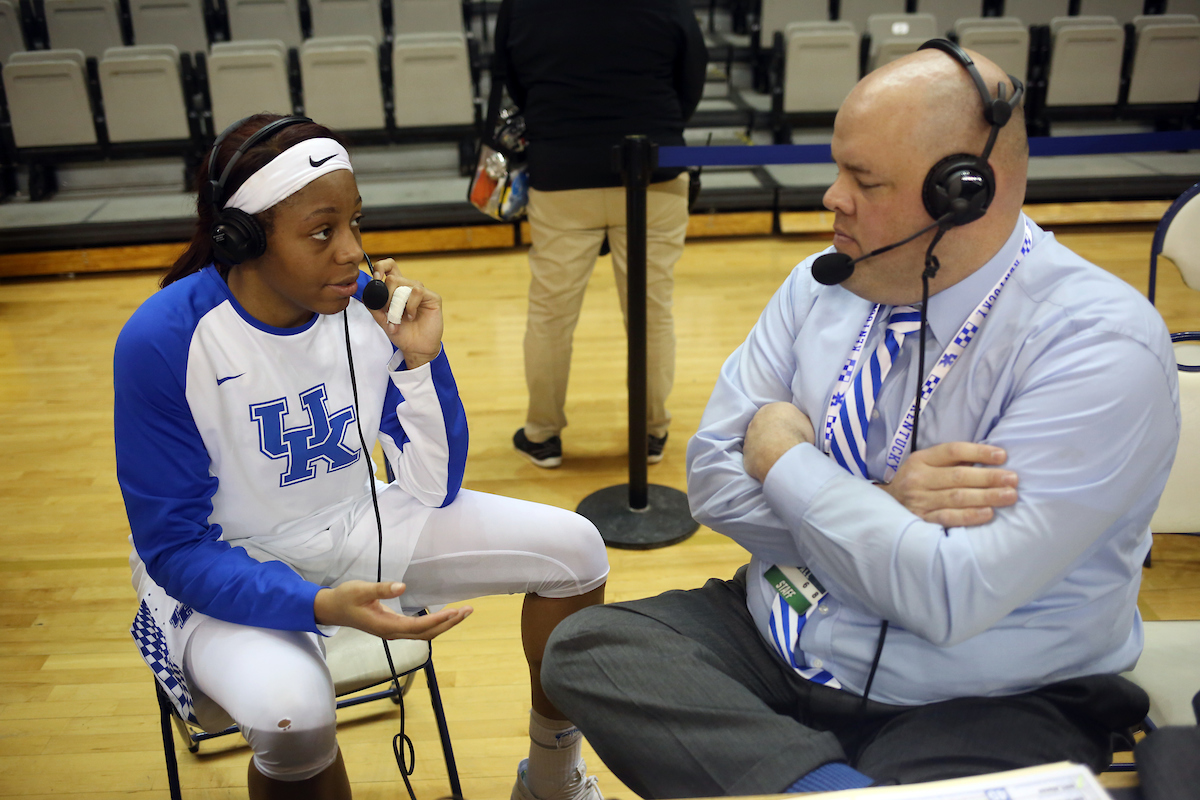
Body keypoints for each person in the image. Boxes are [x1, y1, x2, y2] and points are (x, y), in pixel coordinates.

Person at [538, 45, 1179, 797]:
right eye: (839, 168)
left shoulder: (1099, 343)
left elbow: (948, 598)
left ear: (965, 193)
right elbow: (712, 480)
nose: (830, 199)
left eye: (864, 180)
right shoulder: (821, 284)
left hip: (990, 693)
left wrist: (784, 459)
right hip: (784, 637)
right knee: (590, 646)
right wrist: (882, 505)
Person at [115, 114, 609, 800]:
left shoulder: (361, 311)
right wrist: (318, 604)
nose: (352, 252)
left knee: (577, 552)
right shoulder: (163, 340)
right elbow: (173, 547)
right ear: (244, 237)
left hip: (353, 523)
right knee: (297, 716)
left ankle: (552, 782)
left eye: (354, 223)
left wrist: (418, 361)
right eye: (323, 231)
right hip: (226, 565)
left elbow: (433, 486)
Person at [496, 0, 707, 468]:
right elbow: (691, 76)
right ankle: (652, 433)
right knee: (652, 311)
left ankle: (543, 435)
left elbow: (511, 77)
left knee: (551, 313)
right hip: (654, 163)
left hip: (562, 168)